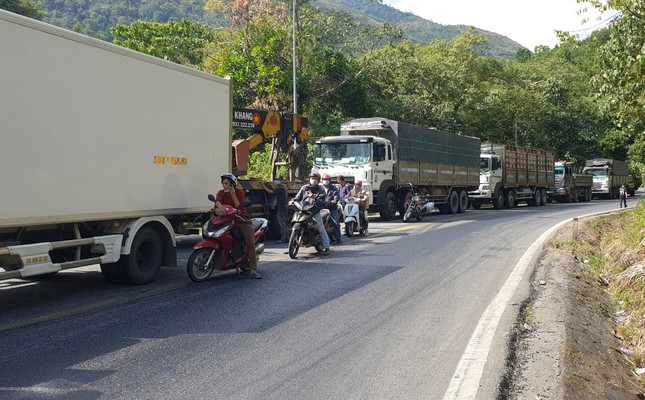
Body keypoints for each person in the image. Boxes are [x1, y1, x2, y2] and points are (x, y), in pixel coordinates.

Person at [214, 173, 261, 279]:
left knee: (250, 241)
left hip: (241, 219)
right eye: (223, 183)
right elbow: (217, 201)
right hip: (226, 219)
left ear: (232, 185)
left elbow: (238, 206)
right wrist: (220, 207)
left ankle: (253, 269)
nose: (224, 186)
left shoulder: (240, 192)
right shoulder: (221, 193)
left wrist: (233, 195)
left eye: (227, 184)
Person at [290, 172, 331, 255]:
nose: (314, 180)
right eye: (312, 178)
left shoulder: (321, 189)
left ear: (318, 180)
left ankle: (327, 247)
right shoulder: (304, 188)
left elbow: (322, 202)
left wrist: (314, 198)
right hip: (303, 210)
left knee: (321, 228)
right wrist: (292, 201)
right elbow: (297, 197)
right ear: (309, 179)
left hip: (314, 211)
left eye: (316, 179)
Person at [260, 176, 289, 243]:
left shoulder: (281, 188)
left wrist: (263, 185)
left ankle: (283, 239)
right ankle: (286, 238)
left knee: (281, 223)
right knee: (284, 223)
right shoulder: (283, 188)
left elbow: (269, 192)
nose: (276, 181)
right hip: (283, 207)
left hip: (281, 208)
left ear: (281, 181)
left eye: (277, 180)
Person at [322, 174, 342, 245]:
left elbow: (336, 196)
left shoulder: (334, 188)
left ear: (329, 181)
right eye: (324, 180)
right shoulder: (320, 188)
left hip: (332, 208)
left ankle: (338, 238)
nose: (325, 181)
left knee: (335, 222)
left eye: (326, 180)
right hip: (322, 208)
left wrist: (334, 201)